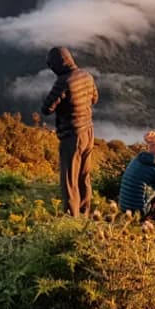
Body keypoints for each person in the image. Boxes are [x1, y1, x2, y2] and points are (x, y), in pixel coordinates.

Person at [41, 46, 99, 217]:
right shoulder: (87, 76)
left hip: (72, 134)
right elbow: (95, 98)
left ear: (58, 63)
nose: (51, 68)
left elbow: (47, 108)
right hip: (89, 131)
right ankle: (84, 211)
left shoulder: (63, 82)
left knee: (69, 178)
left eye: (51, 65)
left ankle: (71, 216)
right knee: (84, 175)